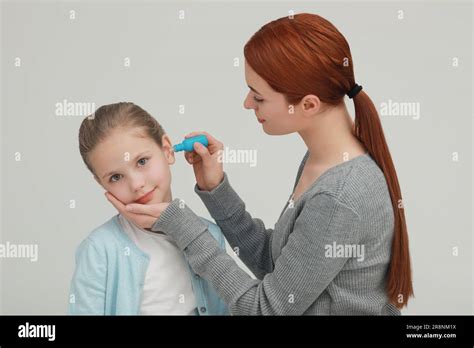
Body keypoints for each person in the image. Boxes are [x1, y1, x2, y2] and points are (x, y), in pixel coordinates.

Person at [107, 13, 414, 315]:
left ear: (308, 104)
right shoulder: (323, 162)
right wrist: (215, 189)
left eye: (259, 96)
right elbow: (277, 265)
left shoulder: (337, 197)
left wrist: (182, 224)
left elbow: (265, 310)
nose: (247, 103)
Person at [68, 102, 228, 315]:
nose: (136, 184)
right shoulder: (98, 250)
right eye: (116, 177)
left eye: (142, 161)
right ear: (101, 184)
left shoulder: (210, 235)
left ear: (167, 151)